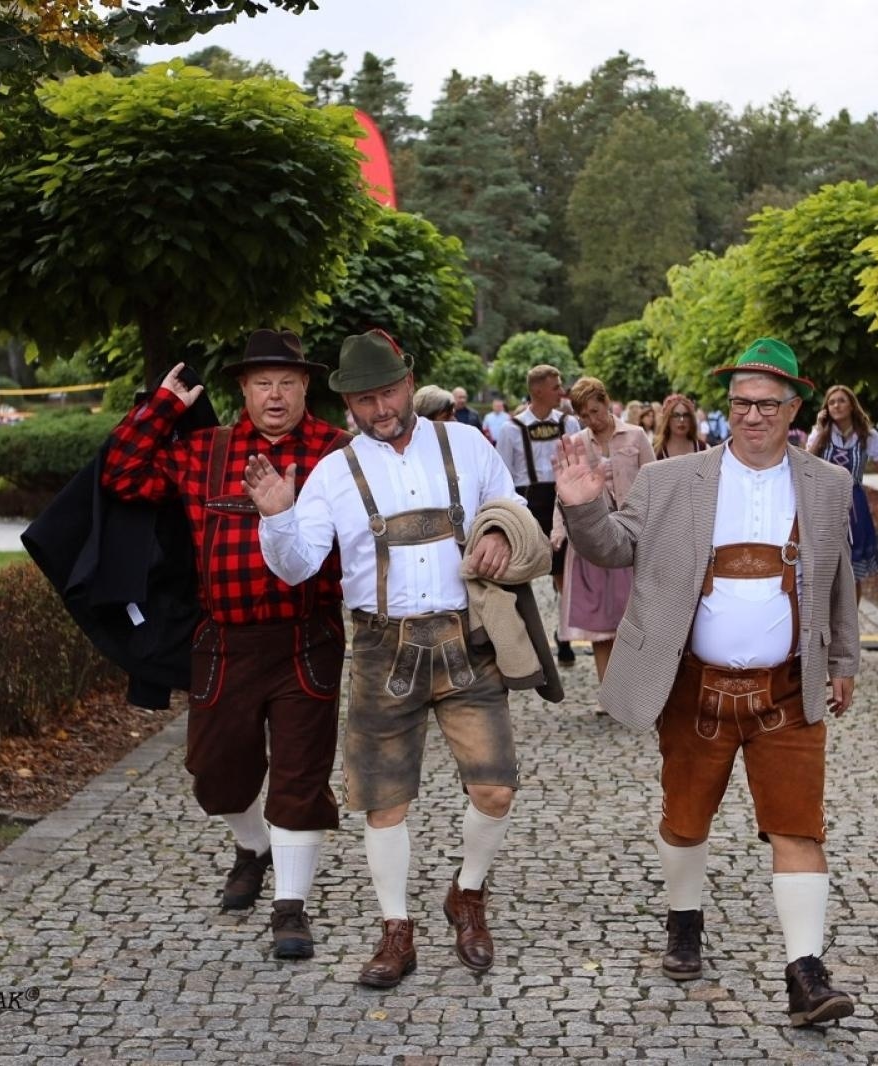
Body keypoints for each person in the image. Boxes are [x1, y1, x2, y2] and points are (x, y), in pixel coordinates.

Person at [555, 337, 862, 1027]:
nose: (750, 416)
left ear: (793, 409)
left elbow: (839, 577)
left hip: (787, 691)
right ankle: (684, 918)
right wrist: (581, 508)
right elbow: (612, 549)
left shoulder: (827, 485)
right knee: (685, 821)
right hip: (694, 687)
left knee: (799, 827)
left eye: (765, 405)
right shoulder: (670, 479)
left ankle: (805, 973)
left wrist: (842, 661)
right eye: (739, 404)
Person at [249, 329, 550, 990]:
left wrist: (498, 530)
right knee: (384, 802)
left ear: (409, 381)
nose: (379, 408)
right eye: (363, 399)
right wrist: (276, 517)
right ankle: (396, 929)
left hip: (466, 638)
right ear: (348, 404)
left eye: (387, 392)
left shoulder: (467, 445)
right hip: (383, 648)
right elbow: (298, 567)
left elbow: (515, 507)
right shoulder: (334, 471)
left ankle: (467, 893)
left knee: (495, 788)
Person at [101, 329, 350, 961]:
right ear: (242, 389)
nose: (275, 395)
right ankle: (254, 846)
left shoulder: (338, 451)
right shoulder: (204, 452)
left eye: (288, 383)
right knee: (216, 777)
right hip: (223, 642)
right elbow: (122, 477)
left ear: (306, 388)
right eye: (262, 382)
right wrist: (161, 407)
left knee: (299, 777)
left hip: (307, 638)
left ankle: (290, 909)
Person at [550, 376, 654, 686]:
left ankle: (632, 688)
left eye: (595, 411)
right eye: (584, 415)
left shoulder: (635, 437)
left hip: (632, 537)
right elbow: (564, 494)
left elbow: (655, 483)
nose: (591, 420)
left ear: (606, 403)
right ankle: (608, 693)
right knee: (600, 626)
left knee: (631, 620)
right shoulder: (578, 443)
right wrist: (559, 530)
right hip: (592, 539)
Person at [493, 364, 581, 663]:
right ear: (538, 390)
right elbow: (501, 474)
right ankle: (523, 639)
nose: (562, 391)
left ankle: (564, 634)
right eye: (556, 386)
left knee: (563, 576)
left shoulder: (569, 423)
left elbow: (578, 465)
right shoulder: (510, 428)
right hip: (527, 505)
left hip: (561, 504)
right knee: (521, 575)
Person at [804, 385, 878, 598]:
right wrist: (819, 430)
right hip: (823, 504)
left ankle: (849, 625)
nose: (836, 405)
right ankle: (825, 625)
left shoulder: (868, 436)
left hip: (854, 506)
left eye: (841, 401)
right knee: (824, 570)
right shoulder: (821, 433)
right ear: (826, 409)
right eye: (831, 402)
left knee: (852, 573)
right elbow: (805, 466)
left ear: (852, 405)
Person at [652, 393, 708, 459]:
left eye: (686, 415)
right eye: (676, 415)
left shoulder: (703, 448)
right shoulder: (656, 450)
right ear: (667, 419)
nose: (682, 420)